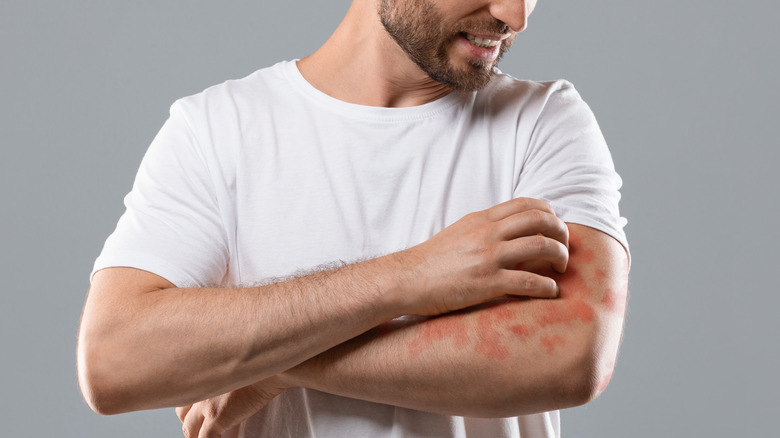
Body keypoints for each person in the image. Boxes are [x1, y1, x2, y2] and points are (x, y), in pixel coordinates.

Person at [77, 0, 630, 437]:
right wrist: (411, 276)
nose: (516, 14)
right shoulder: (217, 129)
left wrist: (271, 364)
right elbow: (114, 361)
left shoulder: (544, 122)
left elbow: (569, 357)